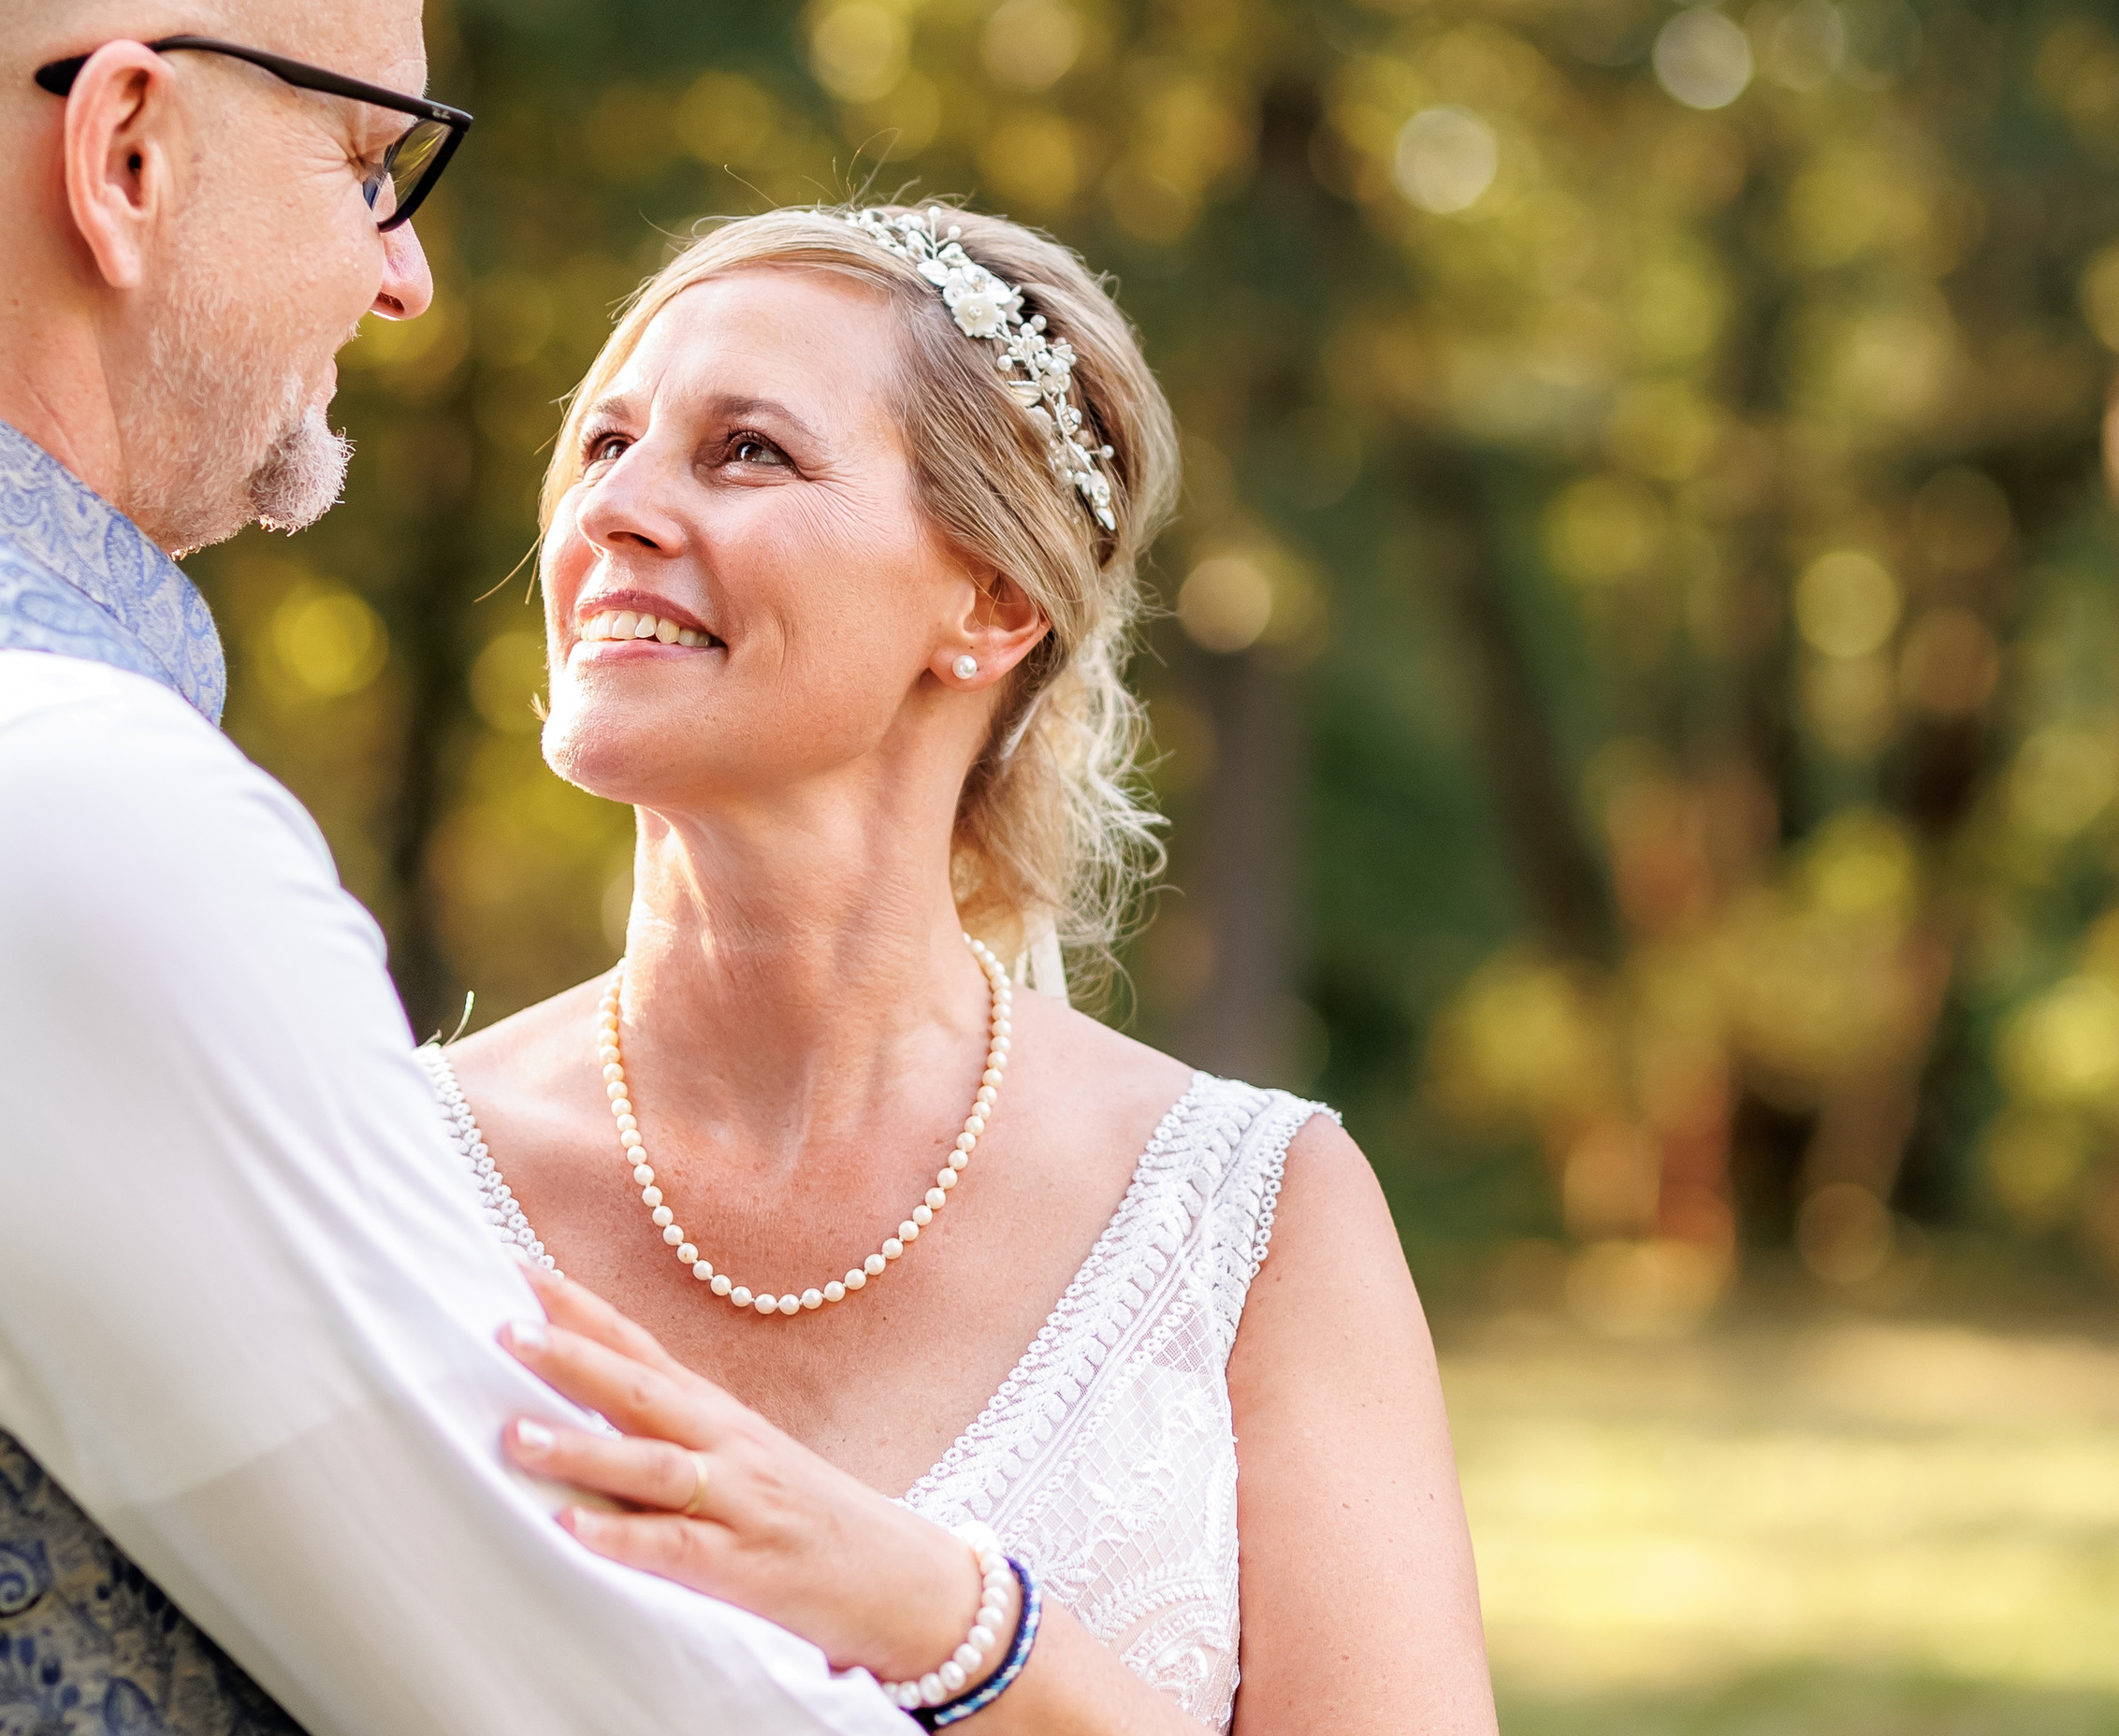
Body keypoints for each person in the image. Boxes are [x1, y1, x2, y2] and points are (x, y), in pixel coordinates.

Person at [0, 0, 913, 1732]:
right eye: (370, 159)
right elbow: (591, 1691)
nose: (400, 281)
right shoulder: (27, 789)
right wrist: (1006, 1637)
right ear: (124, 149)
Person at [427, 205, 1502, 1731]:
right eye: (603, 446)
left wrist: (949, 1623)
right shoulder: (387, 1170)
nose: (617, 509)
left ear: (992, 602)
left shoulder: (1249, 1222)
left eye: (746, 452)